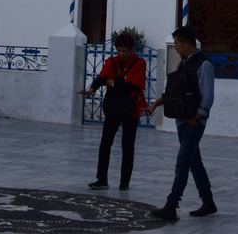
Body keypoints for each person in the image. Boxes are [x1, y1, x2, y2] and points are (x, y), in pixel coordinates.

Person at [148, 26, 217, 220]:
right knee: (194, 162)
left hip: (193, 122)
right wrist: (155, 105)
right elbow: (173, 91)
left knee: (182, 163)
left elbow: (208, 96)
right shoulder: (183, 64)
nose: (175, 48)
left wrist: (198, 118)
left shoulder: (204, 65)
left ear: (186, 43)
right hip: (182, 120)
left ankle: (172, 204)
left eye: (177, 43)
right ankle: (208, 202)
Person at [80, 31, 148, 190]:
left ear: (132, 50)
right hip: (113, 106)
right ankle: (101, 178)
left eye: (125, 51)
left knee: (128, 144)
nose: (122, 54)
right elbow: (101, 78)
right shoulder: (111, 62)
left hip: (131, 108)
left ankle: (125, 182)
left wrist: (113, 83)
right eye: (119, 51)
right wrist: (91, 90)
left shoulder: (139, 63)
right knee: (105, 142)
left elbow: (133, 86)